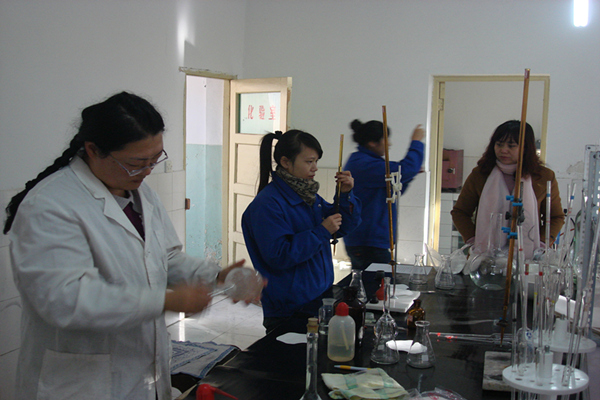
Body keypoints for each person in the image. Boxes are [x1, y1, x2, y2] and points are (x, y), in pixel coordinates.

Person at [4, 92, 256, 400]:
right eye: (136, 163)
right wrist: (164, 300)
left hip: (143, 375)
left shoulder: (141, 193)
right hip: (81, 385)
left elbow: (165, 257)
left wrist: (215, 275)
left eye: (155, 159)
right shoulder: (50, 205)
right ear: (93, 150)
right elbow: (66, 299)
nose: (148, 171)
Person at [242, 129, 361, 333]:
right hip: (290, 307)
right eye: (309, 162)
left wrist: (345, 195)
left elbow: (341, 227)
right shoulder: (268, 205)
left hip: (319, 295)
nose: (315, 167)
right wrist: (321, 231)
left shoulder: (307, 196)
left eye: (316, 161)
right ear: (285, 162)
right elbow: (279, 255)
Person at [451, 120, 564, 259]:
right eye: (499, 144)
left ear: (525, 148)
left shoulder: (543, 177)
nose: (503, 150)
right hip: (484, 257)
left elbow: (555, 217)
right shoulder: (481, 174)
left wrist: (541, 243)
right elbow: (460, 212)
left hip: (528, 258)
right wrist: (474, 240)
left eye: (511, 146)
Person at [343, 120, 425, 270]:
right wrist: (416, 142)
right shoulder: (363, 164)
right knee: (378, 282)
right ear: (372, 143)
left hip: (368, 241)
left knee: (372, 281)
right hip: (367, 243)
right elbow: (406, 168)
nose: (389, 144)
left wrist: (408, 177)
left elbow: (392, 191)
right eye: (386, 140)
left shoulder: (367, 162)